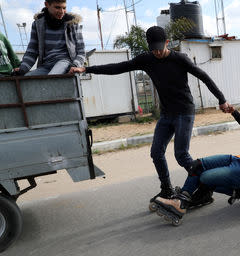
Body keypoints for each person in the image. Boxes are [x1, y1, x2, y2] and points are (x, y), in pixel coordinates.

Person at [70, 26, 230, 203]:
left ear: (167, 43)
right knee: (156, 152)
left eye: (160, 48)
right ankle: (166, 189)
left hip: (184, 111)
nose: (157, 52)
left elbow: (204, 77)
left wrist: (221, 100)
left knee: (181, 154)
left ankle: (205, 189)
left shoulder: (180, 59)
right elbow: (118, 67)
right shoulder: (147, 59)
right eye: (153, 49)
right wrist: (87, 70)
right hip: (167, 114)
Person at [15, 0, 85, 76]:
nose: (62, 11)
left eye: (64, 8)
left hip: (65, 62)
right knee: (26, 79)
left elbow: (81, 51)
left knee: (51, 78)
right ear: (47, 4)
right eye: (57, 7)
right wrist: (22, 69)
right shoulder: (38, 25)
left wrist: (75, 65)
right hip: (46, 65)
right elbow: (32, 51)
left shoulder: (72, 24)